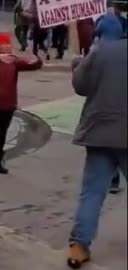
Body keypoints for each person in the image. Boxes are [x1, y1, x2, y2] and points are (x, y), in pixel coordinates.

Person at [67, 38, 127, 269]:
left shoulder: (102, 50)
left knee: (92, 192)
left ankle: (79, 246)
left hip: (99, 131)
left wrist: (77, 64)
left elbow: (80, 86)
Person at [0, 33, 42, 178]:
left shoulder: (14, 62)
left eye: (9, 44)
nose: (8, 46)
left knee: (2, 135)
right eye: (4, 44)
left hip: (9, 104)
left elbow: (34, 65)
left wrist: (36, 57)